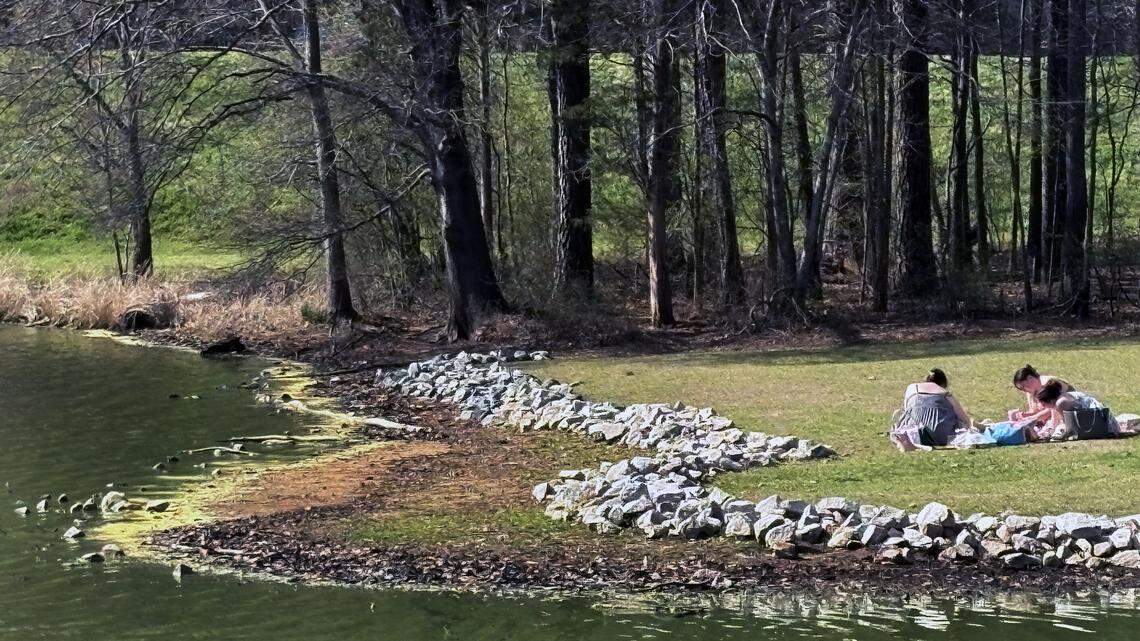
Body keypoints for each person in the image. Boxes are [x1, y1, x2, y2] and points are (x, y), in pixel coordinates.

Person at [891, 368, 972, 451]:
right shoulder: (945, 393)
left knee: (902, 425)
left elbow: (907, 410)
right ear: (943, 383)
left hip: (916, 430)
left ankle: (909, 440)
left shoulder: (912, 387)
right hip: (941, 433)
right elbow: (964, 418)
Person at [1031, 380, 1119, 440]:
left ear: (1046, 400)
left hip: (1102, 426)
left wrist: (1057, 437)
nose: (1041, 405)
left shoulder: (1061, 403)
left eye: (1041, 403)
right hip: (1102, 423)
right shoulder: (1062, 398)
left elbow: (1069, 428)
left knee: (1057, 430)